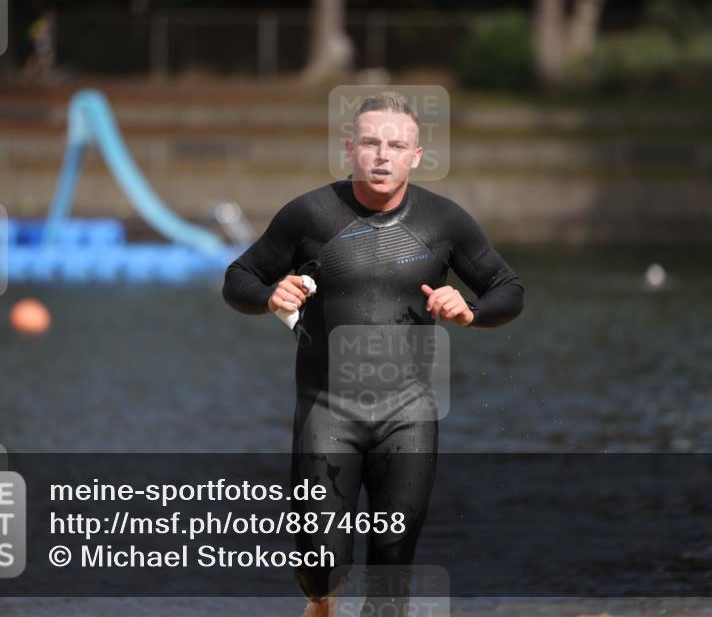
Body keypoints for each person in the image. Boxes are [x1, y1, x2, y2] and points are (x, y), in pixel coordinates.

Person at [223, 92, 524, 616]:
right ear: (350, 149)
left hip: (408, 417)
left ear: (416, 156)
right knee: (319, 569)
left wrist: (469, 310)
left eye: (395, 145)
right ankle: (321, 602)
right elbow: (238, 278)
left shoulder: (444, 222)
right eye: (370, 143)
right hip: (326, 410)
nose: (382, 155)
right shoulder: (309, 215)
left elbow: (508, 289)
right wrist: (270, 295)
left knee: (391, 575)